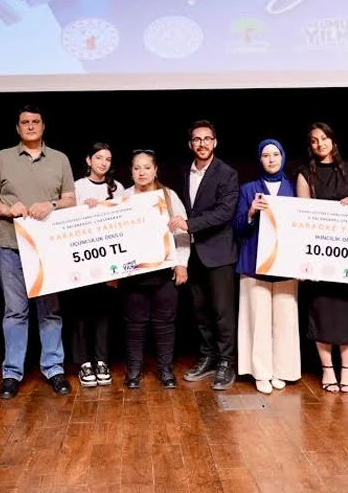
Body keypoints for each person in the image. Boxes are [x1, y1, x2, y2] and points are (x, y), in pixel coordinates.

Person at [0, 105, 77, 399]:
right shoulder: (3, 158)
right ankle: (12, 373)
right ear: (18, 128)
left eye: (36, 121)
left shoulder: (59, 159)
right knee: (15, 312)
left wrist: (51, 205)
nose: (31, 126)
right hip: (11, 246)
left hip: (48, 250)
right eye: (25, 122)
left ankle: (54, 368)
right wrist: (7, 209)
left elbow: (70, 199)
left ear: (43, 126)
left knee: (50, 312)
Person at [295, 123, 348, 394]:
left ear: (333, 140)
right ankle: (327, 370)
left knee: (347, 314)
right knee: (321, 312)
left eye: (324, 138)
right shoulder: (304, 174)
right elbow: (303, 217)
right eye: (314, 140)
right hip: (319, 256)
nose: (320, 144)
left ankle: (347, 370)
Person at [176, 120, 240, 391]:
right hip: (194, 254)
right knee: (200, 312)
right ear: (190, 144)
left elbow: (225, 212)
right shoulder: (183, 172)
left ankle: (226, 363)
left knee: (222, 312)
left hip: (219, 253)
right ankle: (208, 358)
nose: (202, 143)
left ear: (215, 142)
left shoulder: (227, 173)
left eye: (206, 139)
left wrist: (189, 224)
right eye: (196, 139)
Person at [234, 139, 301, 394]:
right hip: (255, 261)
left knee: (285, 318)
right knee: (258, 319)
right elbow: (238, 227)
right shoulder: (248, 189)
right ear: (259, 159)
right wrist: (251, 212)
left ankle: (282, 370)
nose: (271, 159)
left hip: (285, 263)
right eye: (265, 155)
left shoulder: (294, 188)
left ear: (283, 157)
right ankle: (261, 372)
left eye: (275, 154)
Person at [119, 149, 191, 388]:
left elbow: (182, 233)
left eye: (147, 167)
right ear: (131, 171)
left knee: (164, 323)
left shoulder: (168, 196)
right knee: (134, 323)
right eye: (137, 168)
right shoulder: (123, 198)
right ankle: (134, 370)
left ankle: (165, 369)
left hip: (164, 271)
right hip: (133, 274)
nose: (142, 172)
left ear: (155, 170)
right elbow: (113, 236)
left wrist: (181, 264)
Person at [67, 142, 126, 387]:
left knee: (104, 312)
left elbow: (123, 223)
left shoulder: (118, 188)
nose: (103, 162)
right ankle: (83, 363)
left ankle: (102, 360)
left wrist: (117, 270)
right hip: (82, 261)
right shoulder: (77, 186)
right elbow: (67, 220)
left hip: (108, 261)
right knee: (81, 312)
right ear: (89, 160)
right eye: (99, 157)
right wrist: (84, 209)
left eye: (108, 159)